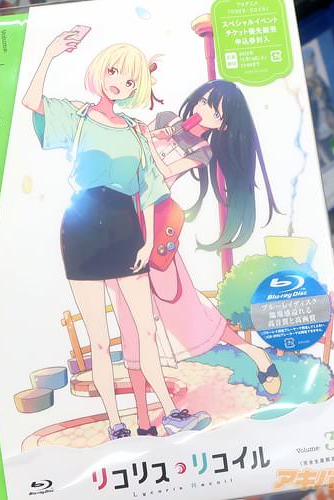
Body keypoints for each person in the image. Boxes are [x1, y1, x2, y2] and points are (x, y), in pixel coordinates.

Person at [22, 30, 210, 439]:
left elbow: (150, 187)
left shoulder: (136, 130)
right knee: (99, 342)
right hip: (82, 227)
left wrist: (148, 241)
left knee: (146, 330)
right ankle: (115, 422)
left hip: (127, 228)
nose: (119, 84)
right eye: (113, 72)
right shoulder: (76, 116)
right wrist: (50, 52)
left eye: (129, 81)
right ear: (99, 71)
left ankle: (171, 411)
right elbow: (32, 102)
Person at [107, 80, 281, 436]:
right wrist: (149, 133)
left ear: (224, 125)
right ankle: (143, 421)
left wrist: (148, 143)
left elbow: (160, 174)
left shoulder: (202, 150)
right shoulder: (165, 119)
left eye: (214, 111)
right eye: (203, 101)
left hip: (155, 234)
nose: (203, 110)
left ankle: (255, 354)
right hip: (120, 229)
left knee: (190, 313)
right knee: (130, 327)